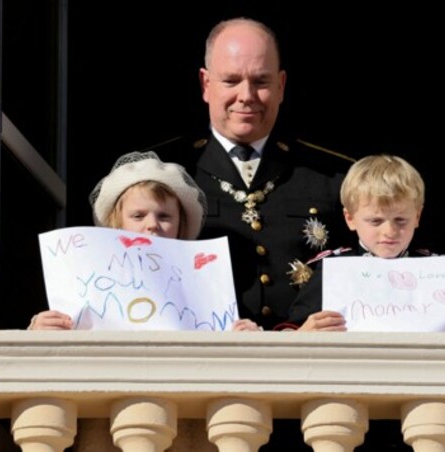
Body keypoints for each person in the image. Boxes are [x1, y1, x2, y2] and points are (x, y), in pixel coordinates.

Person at [150, 17, 356, 331]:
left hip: (310, 364)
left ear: (281, 85)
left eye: (260, 81)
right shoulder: (162, 171)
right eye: (231, 81)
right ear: (206, 85)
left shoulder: (335, 176)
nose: (246, 95)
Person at [280, 154, 445, 334]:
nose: (389, 231)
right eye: (376, 220)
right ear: (350, 218)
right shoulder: (330, 270)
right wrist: (304, 332)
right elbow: (290, 333)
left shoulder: (442, 271)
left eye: (400, 219)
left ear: (418, 217)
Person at [28, 151, 260, 332]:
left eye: (164, 216)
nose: (151, 225)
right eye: (138, 216)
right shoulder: (82, 278)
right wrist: (40, 331)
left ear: (181, 226)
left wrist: (245, 338)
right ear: (116, 225)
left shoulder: (208, 286)